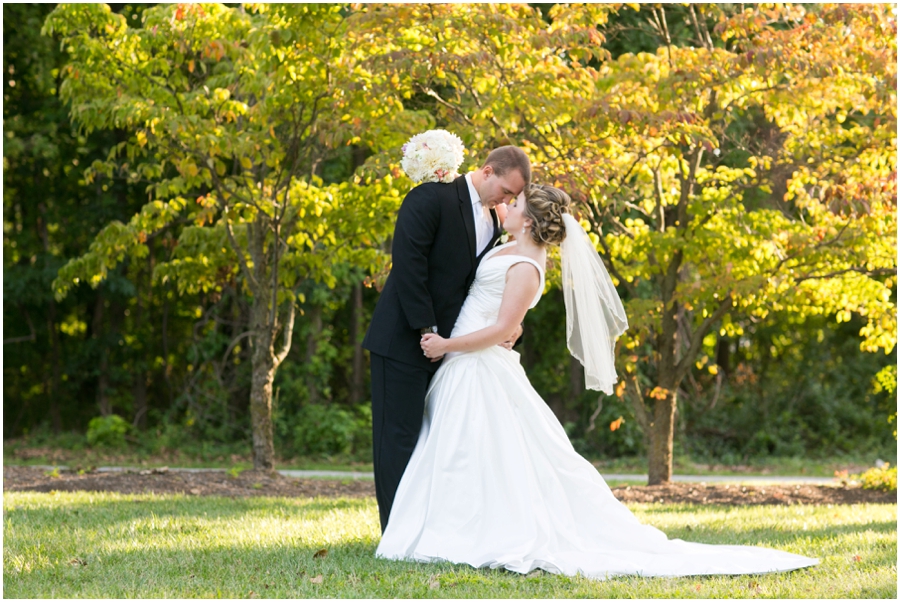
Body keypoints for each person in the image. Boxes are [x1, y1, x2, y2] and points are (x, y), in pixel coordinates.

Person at [375, 184, 819, 579]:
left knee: (480, 453)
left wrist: (445, 346)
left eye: (516, 203)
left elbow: (501, 328)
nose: (507, 205)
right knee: (459, 454)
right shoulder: (505, 244)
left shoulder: (528, 266)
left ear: (528, 219)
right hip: (464, 364)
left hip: (476, 363)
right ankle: (445, 526)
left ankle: (467, 533)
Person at [362, 146, 532, 533]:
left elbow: (490, 282)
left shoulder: (494, 217)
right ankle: (395, 532)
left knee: (434, 442)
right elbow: (409, 267)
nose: (507, 201)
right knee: (398, 439)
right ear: (487, 171)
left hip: (453, 349)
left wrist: (510, 325)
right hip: (404, 340)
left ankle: (426, 528)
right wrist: (427, 332)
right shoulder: (430, 197)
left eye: (512, 197)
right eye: (505, 191)